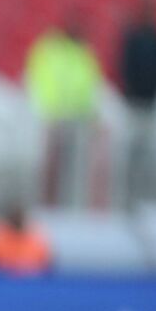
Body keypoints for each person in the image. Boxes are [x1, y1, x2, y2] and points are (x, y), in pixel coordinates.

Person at [24, 12, 104, 207]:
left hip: (76, 117)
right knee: (51, 164)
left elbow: (90, 85)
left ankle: (69, 205)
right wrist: (41, 105)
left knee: (73, 166)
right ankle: (46, 204)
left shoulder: (84, 53)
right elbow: (35, 76)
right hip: (51, 114)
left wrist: (90, 112)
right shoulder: (50, 48)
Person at [118, 0, 156, 205]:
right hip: (133, 104)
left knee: (147, 154)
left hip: (150, 104)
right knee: (131, 152)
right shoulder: (133, 38)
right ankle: (128, 198)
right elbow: (125, 67)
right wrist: (130, 91)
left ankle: (144, 198)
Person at [0, 203, 51, 276]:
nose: (16, 219)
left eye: (18, 216)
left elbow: (42, 265)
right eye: (14, 216)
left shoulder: (35, 242)